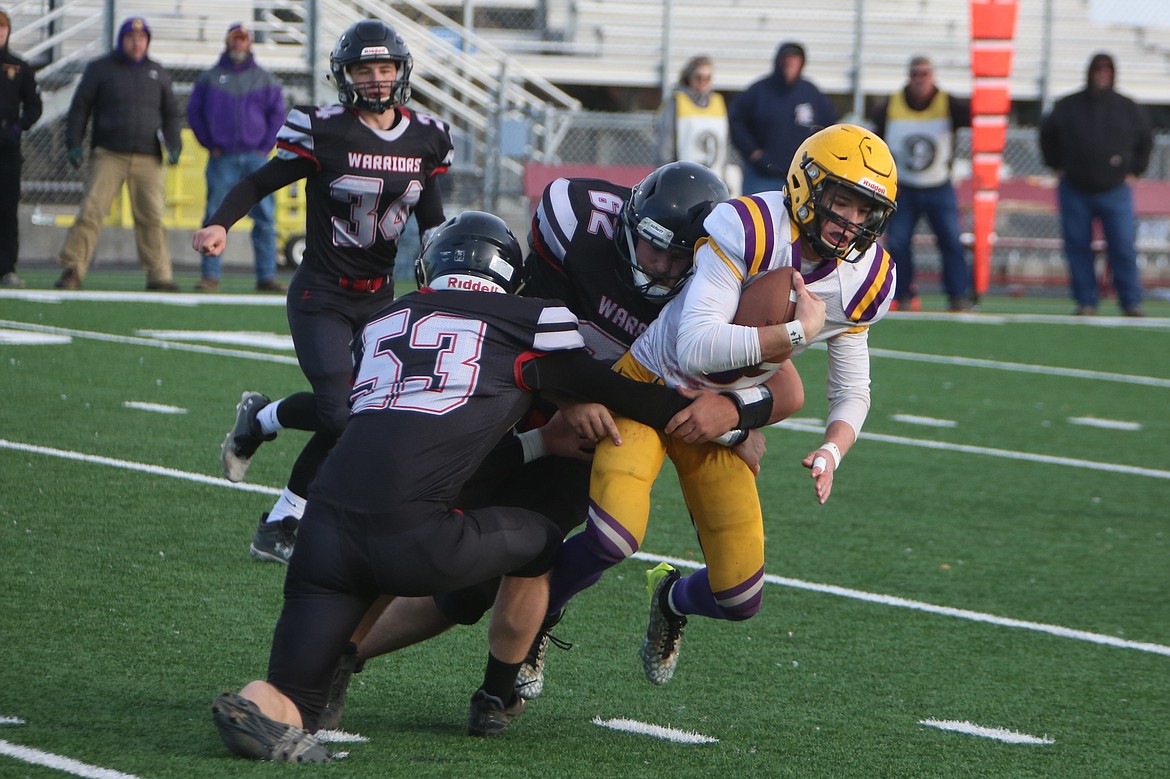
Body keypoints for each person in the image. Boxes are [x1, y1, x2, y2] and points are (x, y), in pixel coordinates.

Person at [209, 211, 768, 760]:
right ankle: (499, 692)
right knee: (541, 545)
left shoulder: (379, 326)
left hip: (323, 533)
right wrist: (735, 418)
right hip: (414, 536)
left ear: (429, 269)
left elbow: (402, 427)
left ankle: (260, 704)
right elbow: (624, 392)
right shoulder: (532, 317)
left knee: (289, 695)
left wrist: (540, 441)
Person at [312, 162, 807, 728]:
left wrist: (737, 417)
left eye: (680, 258)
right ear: (628, 225)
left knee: (494, 575)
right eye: (653, 248)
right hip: (505, 401)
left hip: (597, 429)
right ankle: (330, 660)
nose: (664, 266)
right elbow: (519, 318)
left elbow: (785, 384)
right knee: (413, 535)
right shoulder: (578, 226)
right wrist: (569, 396)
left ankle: (489, 692)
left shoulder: (718, 277)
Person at [541, 124, 898, 691]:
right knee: (614, 534)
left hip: (714, 411)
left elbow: (852, 388)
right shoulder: (750, 225)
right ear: (808, 187)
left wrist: (832, 446)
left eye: (866, 209)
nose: (851, 220)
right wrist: (795, 335)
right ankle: (541, 614)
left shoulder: (868, 277)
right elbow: (696, 344)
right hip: (651, 381)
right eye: (842, 200)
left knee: (739, 594)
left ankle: (672, 600)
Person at [193, 20, 454, 565]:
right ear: (346, 75)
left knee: (365, 413)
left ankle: (262, 426)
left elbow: (431, 219)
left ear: (401, 73)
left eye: (386, 68)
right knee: (343, 415)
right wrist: (220, 223)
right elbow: (257, 182)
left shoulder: (427, 135)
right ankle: (281, 518)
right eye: (365, 69)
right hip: (322, 294)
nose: (378, 79)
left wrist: (444, 274)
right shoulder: (324, 128)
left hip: (380, 298)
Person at [54, 16, 182, 292]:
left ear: (147, 41)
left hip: (148, 156)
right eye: (131, 38)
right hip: (109, 154)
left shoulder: (158, 72)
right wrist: (73, 143)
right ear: (121, 40)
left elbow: (171, 113)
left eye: (141, 38)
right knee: (91, 211)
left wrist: (174, 144)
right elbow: (80, 108)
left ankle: (159, 274)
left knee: (152, 217)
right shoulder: (100, 69)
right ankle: (73, 269)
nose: (137, 43)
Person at [1040, 52, 1151, 317]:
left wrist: (1135, 169)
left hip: (1115, 189)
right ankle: (1086, 301)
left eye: (1107, 69)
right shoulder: (1067, 106)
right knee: (1077, 246)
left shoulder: (1127, 107)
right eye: (1098, 69)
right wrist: (1057, 165)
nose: (1102, 74)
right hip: (1075, 189)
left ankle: (1130, 301)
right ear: (1089, 72)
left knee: (1123, 246)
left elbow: (1146, 140)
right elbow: (1047, 137)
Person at [187, 23, 287, 293]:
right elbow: (194, 113)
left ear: (249, 43)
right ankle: (210, 277)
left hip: (256, 158)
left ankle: (266, 277)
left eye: (242, 39)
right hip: (223, 158)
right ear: (227, 42)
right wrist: (210, 144)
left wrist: (265, 146)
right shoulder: (209, 78)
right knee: (215, 216)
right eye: (234, 39)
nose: (238, 44)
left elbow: (278, 115)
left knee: (265, 219)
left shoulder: (265, 79)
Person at [869, 55, 972, 312]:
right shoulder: (890, 105)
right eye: (915, 73)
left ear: (933, 76)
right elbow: (874, 143)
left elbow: (975, 116)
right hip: (903, 187)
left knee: (950, 240)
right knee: (899, 242)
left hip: (939, 184)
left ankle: (958, 295)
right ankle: (903, 294)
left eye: (924, 73)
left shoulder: (947, 103)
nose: (919, 79)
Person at [729, 41, 837, 196]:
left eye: (795, 61)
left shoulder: (811, 93)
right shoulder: (759, 91)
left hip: (801, 179)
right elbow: (736, 122)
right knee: (756, 218)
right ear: (778, 61)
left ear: (801, 64)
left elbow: (831, 128)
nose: (790, 65)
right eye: (786, 60)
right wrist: (752, 152)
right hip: (762, 176)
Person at [0, 9, 43, 289]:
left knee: (5, 208)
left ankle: (6, 268)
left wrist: (18, 127)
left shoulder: (20, 67)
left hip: (6, 146)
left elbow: (34, 105)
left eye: (1, 28)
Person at [655, 56, 731, 188]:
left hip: (715, 180)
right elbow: (666, 144)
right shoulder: (677, 102)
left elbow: (724, 145)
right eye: (698, 77)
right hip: (685, 179)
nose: (703, 82)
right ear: (689, 77)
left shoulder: (718, 102)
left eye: (707, 78)